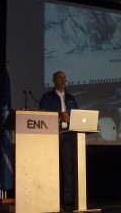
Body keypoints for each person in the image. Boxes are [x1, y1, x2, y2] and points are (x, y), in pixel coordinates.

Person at [40, 71, 78, 209]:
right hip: (52, 135)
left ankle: (68, 199)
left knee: (68, 168)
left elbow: (77, 116)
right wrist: (58, 116)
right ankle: (50, 197)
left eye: (64, 78)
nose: (63, 80)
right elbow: (43, 115)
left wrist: (70, 119)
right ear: (54, 80)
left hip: (68, 136)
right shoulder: (47, 97)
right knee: (50, 168)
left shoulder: (71, 98)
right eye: (60, 78)